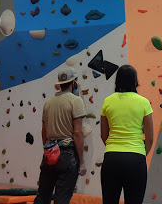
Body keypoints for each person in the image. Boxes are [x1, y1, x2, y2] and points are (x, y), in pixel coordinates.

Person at [100, 65, 154, 204]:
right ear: (135, 82)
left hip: (112, 158)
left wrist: (114, 148)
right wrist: (141, 153)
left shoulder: (108, 101)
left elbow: (103, 135)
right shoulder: (143, 102)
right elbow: (150, 138)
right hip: (136, 159)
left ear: (117, 81)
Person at [34, 67, 87, 204]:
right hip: (67, 153)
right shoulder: (76, 101)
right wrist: (81, 162)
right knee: (62, 199)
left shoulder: (48, 102)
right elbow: (77, 133)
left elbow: (44, 131)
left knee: (42, 197)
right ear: (74, 83)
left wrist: (48, 150)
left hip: (50, 153)